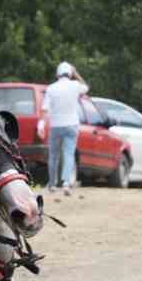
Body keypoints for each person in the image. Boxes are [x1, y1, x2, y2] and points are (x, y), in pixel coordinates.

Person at [42, 62, 88, 196]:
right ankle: (66, 183)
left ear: (57, 74)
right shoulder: (75, 85)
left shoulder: (51, 88)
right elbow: (86, 87)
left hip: (56, 125)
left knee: (53, 156)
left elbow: (45, 109)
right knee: (69, 154)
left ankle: (52, 184)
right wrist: (76, 73)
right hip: (72, 124)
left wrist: (41, 124)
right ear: (70, 74)